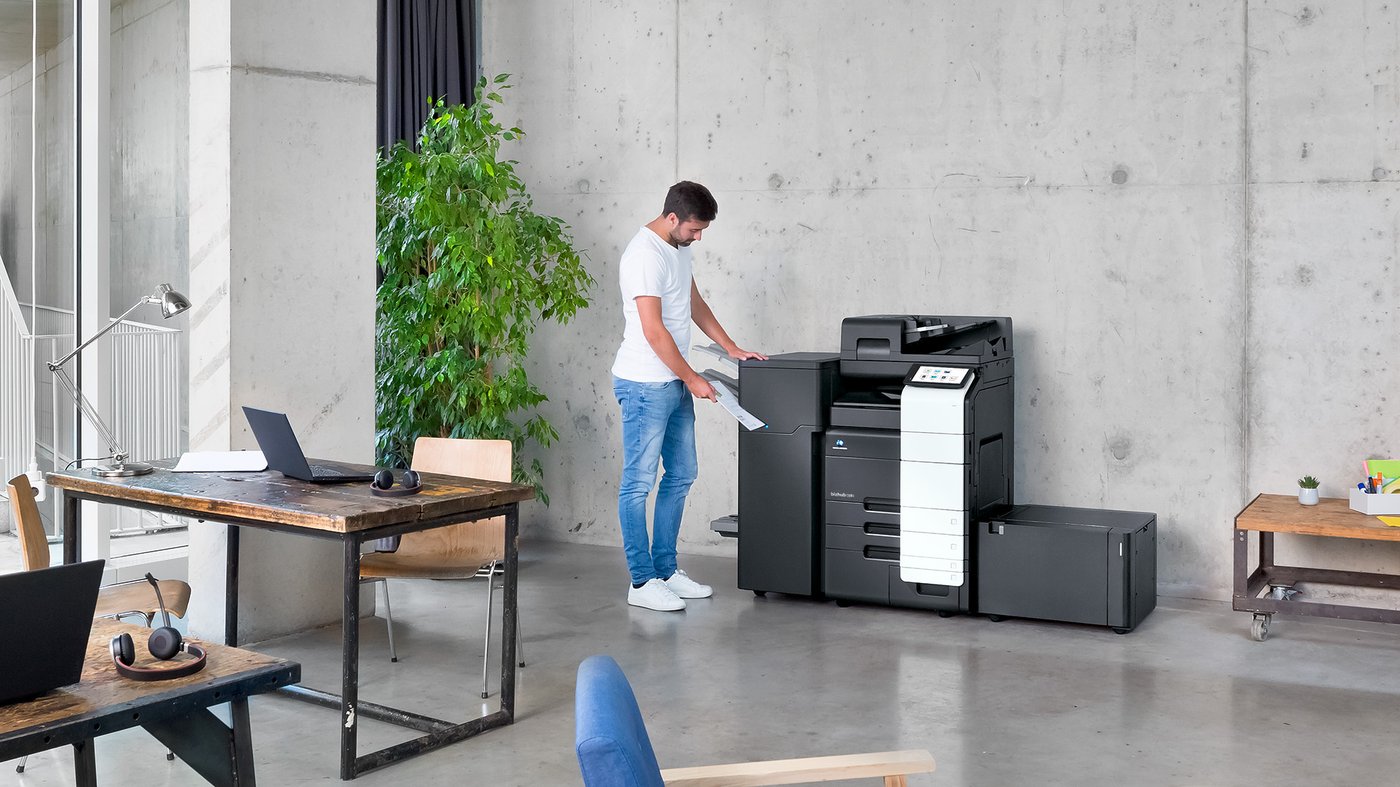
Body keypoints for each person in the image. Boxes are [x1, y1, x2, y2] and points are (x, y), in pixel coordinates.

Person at [611, 181, 766, 612]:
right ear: (672, 218)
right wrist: (693, 377)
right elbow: (653, 331)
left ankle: (665, 571)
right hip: (644, 383)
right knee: (638, 484)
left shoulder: (677, 249)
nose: (698, 238)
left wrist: (730, 346)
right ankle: (641, 582)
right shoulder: (644, 255)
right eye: (695, 230)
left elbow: (692, 300)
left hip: (672, 380)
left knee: (681, 474)